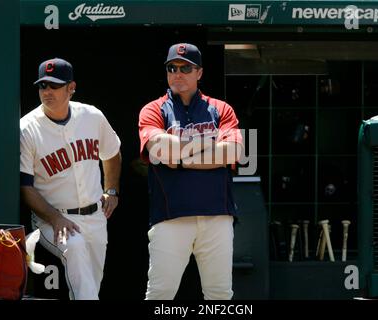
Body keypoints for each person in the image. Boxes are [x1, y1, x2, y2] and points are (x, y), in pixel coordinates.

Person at [139, 43, 243, 300]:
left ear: (199, 73)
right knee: (159, 295)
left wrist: (181, 159)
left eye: (186, 68)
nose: (177, 73)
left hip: (217, 215)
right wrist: (210, 146)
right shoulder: (154, 109)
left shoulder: (221, 109)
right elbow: (160, 149)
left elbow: (233, 153)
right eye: (172, 67)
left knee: (219, 295)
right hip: (170, 217)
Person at [20, 58, 121, 300]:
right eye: (43, 85)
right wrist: (55, 218)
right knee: (74, 250)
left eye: (54, 86)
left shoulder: (92, 116)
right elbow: (25, 186)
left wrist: (112, 190)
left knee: (91, 286)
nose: (47, 91)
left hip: (95, 216)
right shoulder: (27, 128)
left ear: (71, 87)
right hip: (52, 217)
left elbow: (112, 153)